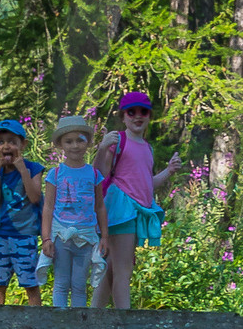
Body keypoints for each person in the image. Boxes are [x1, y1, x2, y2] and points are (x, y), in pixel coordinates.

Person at [92, 91, 182, 309]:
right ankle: (125, 322)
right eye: (131, 112)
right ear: (123, 116)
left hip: (135, 209)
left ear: (149, 116)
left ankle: (94, 316)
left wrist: (168, 171)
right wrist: (102, 147)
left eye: (143, 112)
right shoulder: (118, 141)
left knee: (113, 266)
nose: (137, 116)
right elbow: (99, 173)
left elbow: (146, 184)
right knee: (123, 268)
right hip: (121, 208)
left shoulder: (147, 147)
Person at [41, 115, 109, 310]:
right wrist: (46, 238)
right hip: (62, 235)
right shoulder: (55, 174)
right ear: (61, 145)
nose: (75, 146)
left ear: (87, 143)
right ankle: (60, 326)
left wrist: (104, 236)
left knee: (79, 285)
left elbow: (100, 206)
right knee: (61, 283)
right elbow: (48, 207)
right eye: (69, 141)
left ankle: (78, 326)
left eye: (80, 140)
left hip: (87, 236)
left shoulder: (94, 174)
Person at [0, 118, 44, 305]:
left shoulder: (34, 168)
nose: (6, 146)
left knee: (30, 283)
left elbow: (35, 197)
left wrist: (22, 169)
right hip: (0, 235)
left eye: (12, 141)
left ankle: (37, 328)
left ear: (23, 144)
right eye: (1, 142)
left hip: (25, 236)